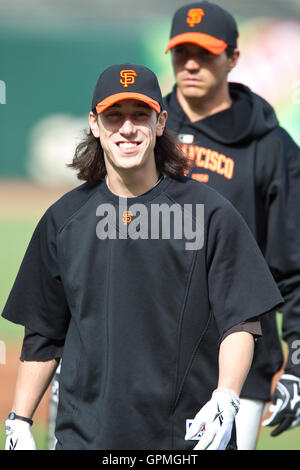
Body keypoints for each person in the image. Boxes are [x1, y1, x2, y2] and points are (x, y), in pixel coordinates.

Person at [2, 62, 283, 451]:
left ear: (160, 122)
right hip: (87, 439)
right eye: (114, 116)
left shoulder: (210, 213)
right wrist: (19, 420)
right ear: (95, 124)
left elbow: (242, 322)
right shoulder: (63, 220)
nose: (128, 128)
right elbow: (43, 335)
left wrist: (226, 397)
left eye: (140, 115)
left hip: (184, 440)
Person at [163, 1, 300, 450]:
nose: (191, 63)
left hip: (241, 357)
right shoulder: (140, 130)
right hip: (145, 349)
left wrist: (298, 358)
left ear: (233, 58)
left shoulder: (271, 147)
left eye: (206, 52)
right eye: (182, 51)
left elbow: (292, 260)